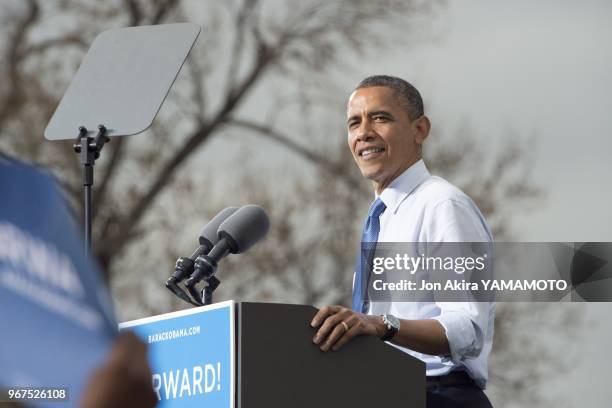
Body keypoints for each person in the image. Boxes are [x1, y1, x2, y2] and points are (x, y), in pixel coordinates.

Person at [310, 75, 495, 408]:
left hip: (438, 397)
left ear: (419, 130)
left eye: (380, 118)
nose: (364, 132)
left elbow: (468, 327)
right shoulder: (381, 218)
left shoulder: (442, 205)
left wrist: (382, 324)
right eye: (354, 122)